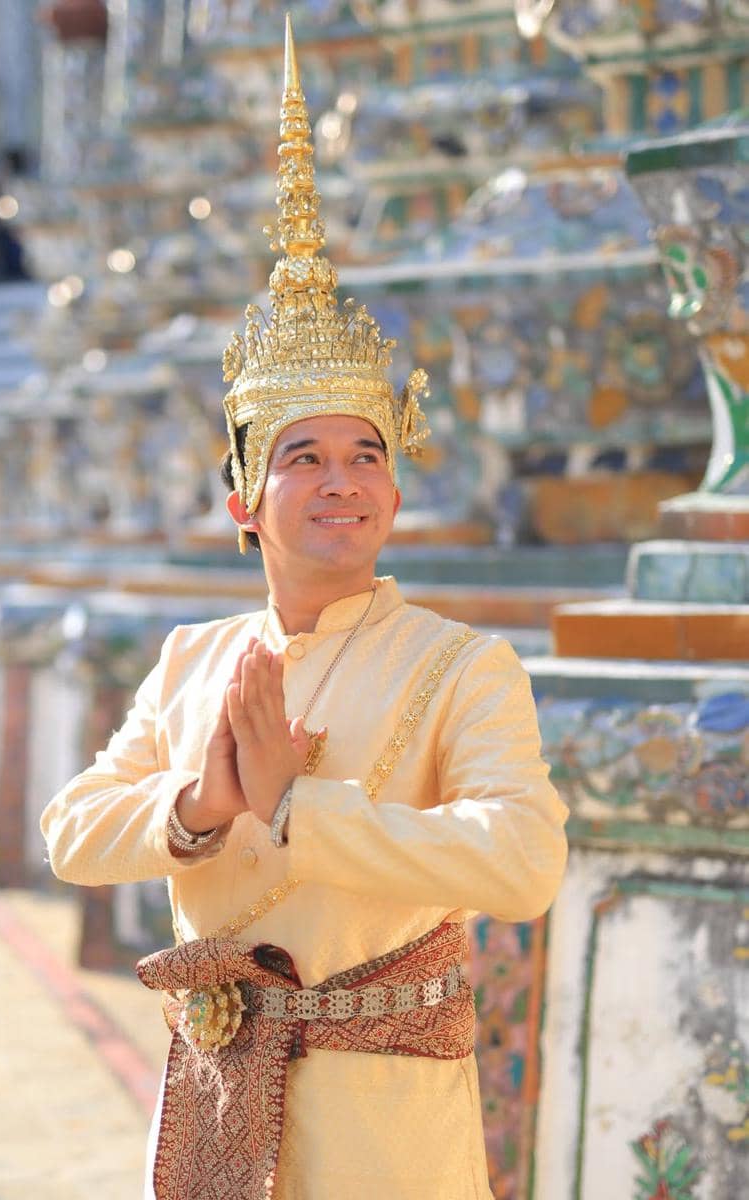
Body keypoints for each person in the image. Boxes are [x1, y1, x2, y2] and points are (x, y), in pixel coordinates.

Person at [40, 17, 568, 1199]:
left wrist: (298, 807)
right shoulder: (194, 658)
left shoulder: (462, 665)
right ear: (243, 496)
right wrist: (202, 804)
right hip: (219, 1093)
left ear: (395, 485)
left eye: (367, 454)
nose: (341, 481)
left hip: (384, 1124)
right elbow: (71, 833)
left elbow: (525, 862)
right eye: (304, 456)